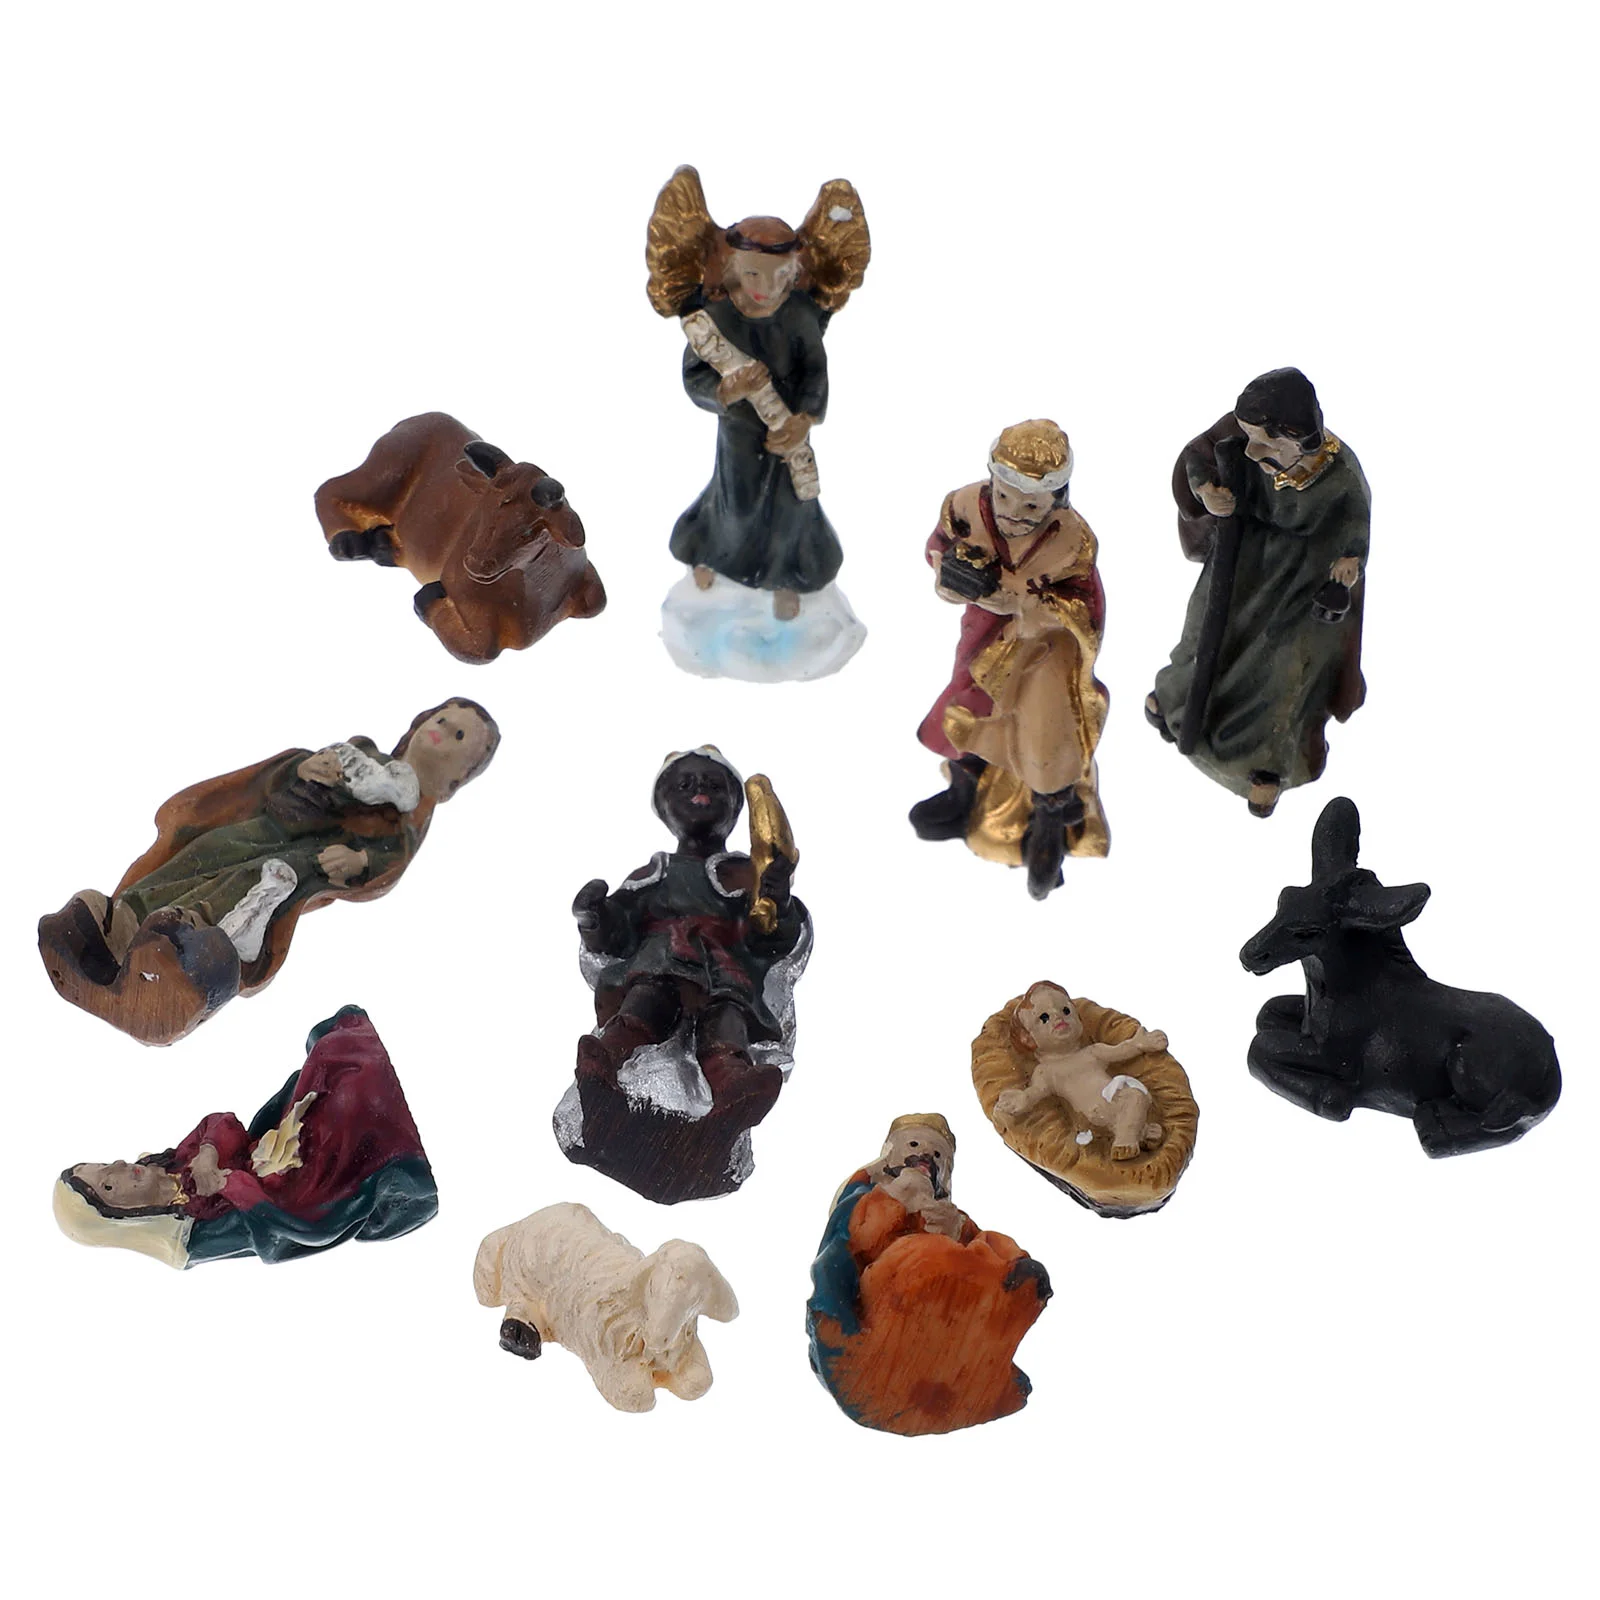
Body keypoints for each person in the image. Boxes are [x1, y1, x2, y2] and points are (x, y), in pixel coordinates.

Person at [39, 697, 499, 1043]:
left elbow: (388, 860)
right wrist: (307, 767)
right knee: (208, 849)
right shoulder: (364, 752)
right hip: (273, 822)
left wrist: (359, 860)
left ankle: (179, 945)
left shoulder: (404, 821)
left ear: (456, 779)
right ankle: (122, 920)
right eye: (442, 720)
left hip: (301, 860)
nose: (441, 732)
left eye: (458, 737)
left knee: (250, 883)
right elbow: (295, 769)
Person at [53, 1007, 437, 1269]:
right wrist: (232, 1185)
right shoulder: (188, 1235)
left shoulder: (171, 1166)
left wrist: (207, 1154)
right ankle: (395, 1150)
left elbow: (223, 1124)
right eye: (108, 1185)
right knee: (353, 1096)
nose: (120, 1167)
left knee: (335, 1055)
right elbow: (266, 1237)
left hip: (277, 1143)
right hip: (297, 1195)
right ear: (120, 1216)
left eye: (107, 1165)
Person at [1147, 368, 1371, 816]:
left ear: (1299, 439)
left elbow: (1354, 525)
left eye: (1265, 443)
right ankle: (1175, 698)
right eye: (1249, 438)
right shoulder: (1240, 436)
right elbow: (1199, 456)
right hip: (1243, 556)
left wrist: (1349, 560)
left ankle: (1267, 763)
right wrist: (1206, 491)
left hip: (1300, 579)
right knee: (1201, 629)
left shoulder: (1341, 474)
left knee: (1282, 667)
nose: (1250, 451)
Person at [912, 420, 1110, 898]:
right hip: (982, 633)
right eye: (1004, 497)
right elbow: (937, 549)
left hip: (1040, 646)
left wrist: (1028, 606)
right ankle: (964, 790)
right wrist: (952, 577)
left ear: (1056, 500)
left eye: (1032, 506)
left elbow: (1086, 606)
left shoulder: (1071, 542)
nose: (1014, 515)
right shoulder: (965, 506)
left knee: (1039, 724)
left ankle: (1048, 814)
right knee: (963, 705)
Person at [571, 747, 808, 1127]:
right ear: (664, 808)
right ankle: (605, 1061)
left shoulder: (747, 873)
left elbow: (769, 939)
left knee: (726, 1021)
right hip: (659, 962)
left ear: (735, 807)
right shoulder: (654, 872)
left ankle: (732, 1086)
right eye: (684, 785)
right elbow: (619, 933)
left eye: (714, 785)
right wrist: (595, 917)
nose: (700, 791)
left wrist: (777, 901)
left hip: (723, 972)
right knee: (646, 1005)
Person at [806, 1114, 1052, 1435]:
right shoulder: (868, 1200)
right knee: (922, 1258)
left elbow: (982, 1249)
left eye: (938, 1155)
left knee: (1012, 1267)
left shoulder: (949, 1216)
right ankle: (959, 1361)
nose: (925, 1156)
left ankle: (980, 1351)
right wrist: (895, 1201)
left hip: (945, 1310)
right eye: (913, 1144)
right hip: (889, 1307)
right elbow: (846, 1250)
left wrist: (956, 1228)